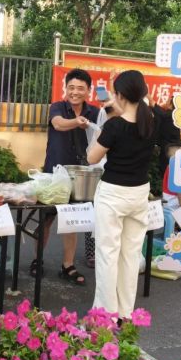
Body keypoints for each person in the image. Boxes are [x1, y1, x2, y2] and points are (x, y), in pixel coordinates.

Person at [87, 70, 163, 318]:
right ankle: (125, 313)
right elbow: (134, 114)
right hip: (139, 193)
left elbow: (92, 158)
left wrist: (102, 129)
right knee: (130, 255)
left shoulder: (114, 126)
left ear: (119, 95)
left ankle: (105, 314)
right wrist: (116, 106)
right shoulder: (151, 121)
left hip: (113, 193)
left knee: (107, 254)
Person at [32, 68, 113, 285]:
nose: (75, 92)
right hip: (55, 173)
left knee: (73, 221)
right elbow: (58, 124)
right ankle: (37, 260)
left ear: (88, 91)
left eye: (80, 88)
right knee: (46, 219)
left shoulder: (94, 112)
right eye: (71, 87)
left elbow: (109, 126)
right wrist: (77, 122)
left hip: (81, 175)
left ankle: (67, 266)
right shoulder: (58, 107)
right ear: (66, 88)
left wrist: (110, 103)